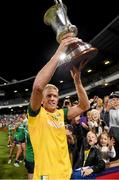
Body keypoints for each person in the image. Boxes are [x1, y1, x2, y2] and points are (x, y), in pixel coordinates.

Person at [28, 32, 90, 180]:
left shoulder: (61, 113)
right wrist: (60, 49)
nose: (53, 99)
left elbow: (84, 105)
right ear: (41, 100)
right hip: (46, 176)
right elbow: (37, 87)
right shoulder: (36, 114)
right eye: (48, 95)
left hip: (65, 173)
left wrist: (77, 81)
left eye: (55, 96)